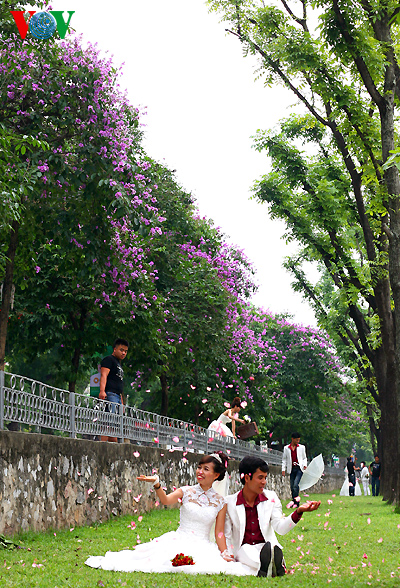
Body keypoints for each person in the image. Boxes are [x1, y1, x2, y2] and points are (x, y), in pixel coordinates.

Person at [85, 452, 251, 575]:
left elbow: (219, 532)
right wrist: (157, 484)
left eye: (205, 469)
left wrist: (223, 552)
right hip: (179, 540)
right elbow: (165, 500)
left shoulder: (220, 502)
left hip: (203, 545)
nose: (200, 471)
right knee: (158, 560)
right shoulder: (186, 491)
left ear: (216, 475)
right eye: (199, 467)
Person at [224, 455, 321, 577]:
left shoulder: (271, 498)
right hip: (243, 549)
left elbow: (280, 528)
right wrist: (229, 555)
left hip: (267, 547)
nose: (264, 482)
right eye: (260, 478)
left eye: (265, 477)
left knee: (270, 550)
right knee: (246, 551)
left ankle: (269, 566)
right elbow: (227, 535)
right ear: (247, 478)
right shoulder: (229, 503)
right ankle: (273, 566)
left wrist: (299, 512)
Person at [99, 338, 129, 443]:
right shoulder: (108, 360)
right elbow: (103, 375)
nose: (124, 353)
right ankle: (103, 445)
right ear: (115, 349)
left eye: (125, 351)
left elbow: (119, 383)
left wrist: (122, 402)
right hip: (110, 394)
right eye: (121, 350)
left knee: (115, 423)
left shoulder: (118, 363)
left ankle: (113, 446)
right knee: (109, 421)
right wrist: (102, 391)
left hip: (117, 396)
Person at [281, 432, 308, 508]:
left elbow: (304, 458)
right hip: (291, 469)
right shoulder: (286, 448)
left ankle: (297, 503)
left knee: (296, 485)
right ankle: (294, 501)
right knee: (292, 487)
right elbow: (284, 459)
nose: (298, 441)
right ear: (292, 439)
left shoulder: (302, 447)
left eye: (299, 440)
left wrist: (305, 465)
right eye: (296, 440)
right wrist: (283, 469)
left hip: (299, 469)